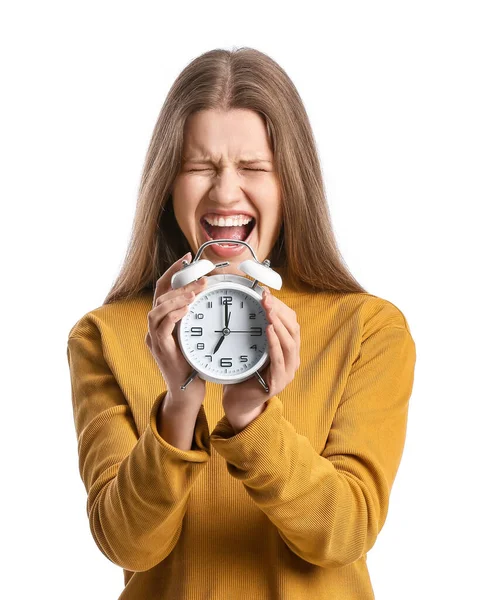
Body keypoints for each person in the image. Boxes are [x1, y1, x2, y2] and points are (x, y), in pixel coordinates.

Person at [66, 47, 416, 600]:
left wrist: (252, 418)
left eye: (253, 167)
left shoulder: (368, 329)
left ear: (290, 182)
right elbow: (127, 545)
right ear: (168, 186)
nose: (225, 192)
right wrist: (179, 405)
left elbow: (345, 532)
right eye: (199, 167)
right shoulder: (104, 336)